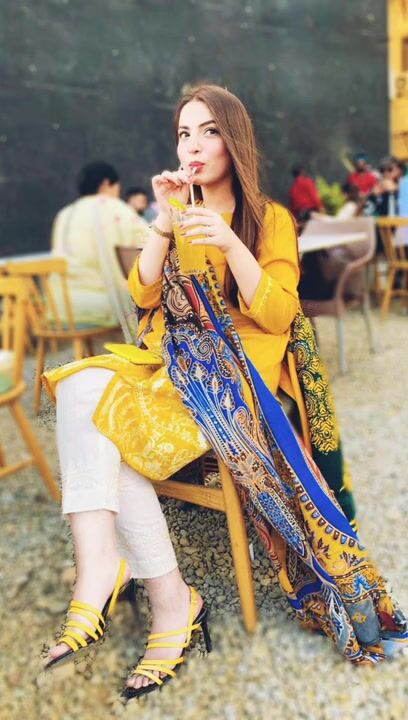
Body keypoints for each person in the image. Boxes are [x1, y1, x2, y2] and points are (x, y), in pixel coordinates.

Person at [42, 85, 407, 700]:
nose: (193, 145)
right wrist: (164, 222)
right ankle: (137, 586)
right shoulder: (177, 212)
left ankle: (137, 589)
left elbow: (280, 313)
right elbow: (143, 295)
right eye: (184, 133)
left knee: (93, 414)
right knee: (80, 385)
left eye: (208, 131)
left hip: (233, 378)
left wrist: (231, 242)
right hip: (171, 364)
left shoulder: (269, 219)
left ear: (234, 141)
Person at [51, 162, 147, 341]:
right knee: (149, 297)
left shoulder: (65, 214)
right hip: (97, 306)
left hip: (58, 306)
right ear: (106, 183)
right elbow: (150, 242)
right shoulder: (114, 208)